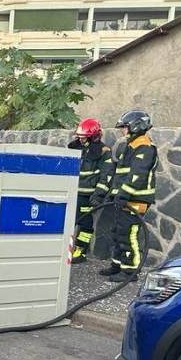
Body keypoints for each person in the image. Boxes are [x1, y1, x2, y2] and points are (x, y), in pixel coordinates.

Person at [99, 110, 157, 283]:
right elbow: (122, 175)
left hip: (136, 200)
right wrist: (113, 194)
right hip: (125, 199)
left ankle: (130, 272)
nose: (122, 130)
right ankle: (118, 266)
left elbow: (137, 175)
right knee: (118, 233)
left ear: (135, 126)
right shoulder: (131, 146)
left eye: (124, 127)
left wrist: (123, 194)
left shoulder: (145, 147)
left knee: (128, 235)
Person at [67, 118, 113, 264]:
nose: (80, 139)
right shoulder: (75, 148)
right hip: (71, 192)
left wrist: (98, 195)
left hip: (88, 195)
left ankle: (81, 250)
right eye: (79, 136)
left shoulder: (103, 151)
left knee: (85, 223)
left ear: (93, 136)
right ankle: (67, 249)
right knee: (68, 221)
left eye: (84, 137)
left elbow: (107, 175)